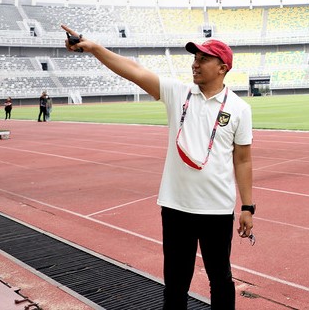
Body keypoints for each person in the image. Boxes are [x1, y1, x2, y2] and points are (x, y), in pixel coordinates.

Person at [62, 24, 255, 309]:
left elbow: (243, 159)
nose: (195, 63)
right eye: (195, 58)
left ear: (222, 67)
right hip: (176, 207)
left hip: (217, 209)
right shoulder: (179, 94)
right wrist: (94, 48)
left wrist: (248, 207)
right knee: (175, 283)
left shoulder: (239, 108)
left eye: (203, 59)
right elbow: (134, 70)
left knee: (220, 279)